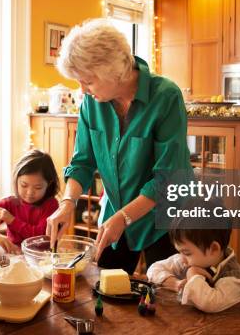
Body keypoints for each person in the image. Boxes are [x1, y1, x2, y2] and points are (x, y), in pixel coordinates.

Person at [45, 18, 193, 274]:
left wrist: (125, 217)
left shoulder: (166, 96)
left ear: (113, 71)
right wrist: (67, 203)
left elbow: (168, 178)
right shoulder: (92, 102)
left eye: (88, 81)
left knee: (167, 298)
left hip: (166, 218)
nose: (82, 90)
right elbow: (82, 162)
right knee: (106, 292)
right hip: (116, 214)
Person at [146, 214, 240, 313]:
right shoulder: (187, 260)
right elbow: (153, 269)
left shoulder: (233, 278)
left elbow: (209, 303)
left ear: (214, 249)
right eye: (179, 251)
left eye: (187, 253)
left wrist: (193, 276)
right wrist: (176, 284)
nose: (182, 258)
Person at [0, 149, 59, 253]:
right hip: (13, 255)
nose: (30, 192)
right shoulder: (9, 203)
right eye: (24, 185)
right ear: (16, 180)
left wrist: (12, 221)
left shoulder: (52, 205)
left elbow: (41, 237)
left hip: (42, 257)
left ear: (49, 185)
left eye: (38, 187)